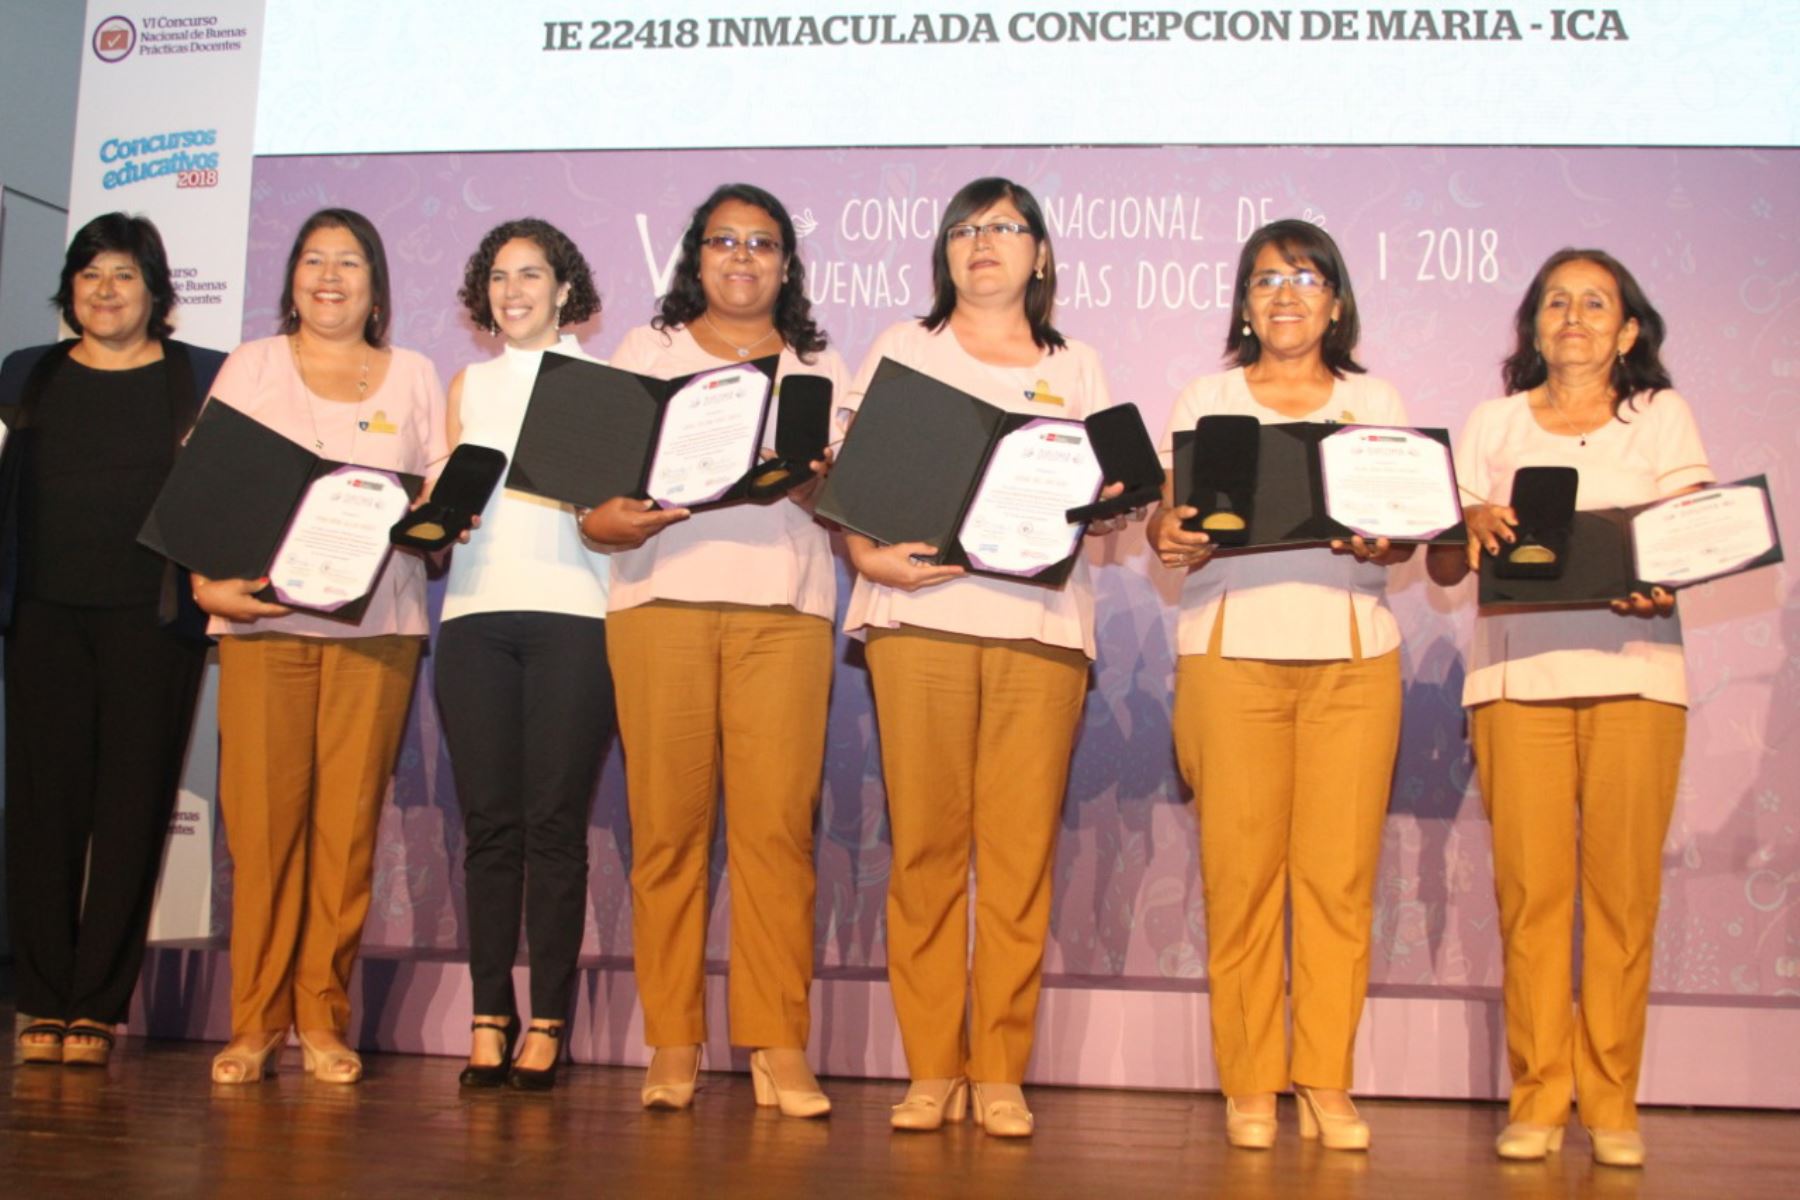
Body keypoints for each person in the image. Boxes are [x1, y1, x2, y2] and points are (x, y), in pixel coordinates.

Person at [842, 177, 1125, 1138]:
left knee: (1016, 859)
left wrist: (1113, 501)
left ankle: (999, 1070)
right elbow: (854, 476)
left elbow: (1107, 495)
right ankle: (932, 1068)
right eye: (965, 228)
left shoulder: (1077, 365)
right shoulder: (904, 346)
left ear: (1040, 253)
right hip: (919, 619)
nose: (983, 242)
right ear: (945, 252)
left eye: (1004, 227)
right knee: (925, 851)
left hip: (1038, 632)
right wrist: (865, 556)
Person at [1426, 249, 1711, 1168]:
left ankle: (1613, 1103)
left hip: (1638, 678)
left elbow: (1692, 537)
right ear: (1534, 327)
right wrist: (1465, 524)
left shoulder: (1660, 416)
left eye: (1595, 303)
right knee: (1532, 899)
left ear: (1627, 331)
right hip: (1518, 684)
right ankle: (1539, 1096)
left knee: (1623, 899)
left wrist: (1667, 574)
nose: (1574, 316)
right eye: (1556, 302)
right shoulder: (1495, 422)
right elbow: (1444, 564)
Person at [579, 183, 845, 1117]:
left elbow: (844, 504)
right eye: (725, 241)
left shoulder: (819, 366)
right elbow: (597, 512)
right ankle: (673, 1040)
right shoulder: (645, 353)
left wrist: (813, 485)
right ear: (695, 257)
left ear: (786, 264)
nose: (742, 257)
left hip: (785, 611)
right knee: (667, 834)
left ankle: (778, 1044)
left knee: (778, 836)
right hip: (662, 606)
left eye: (762, 243)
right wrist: (612, 519)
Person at [1145, 219, 1408, 1151]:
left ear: (1335, 302)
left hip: (1353, 657)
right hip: (1231, 653)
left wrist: (1391, 538)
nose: (1285, 294)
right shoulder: (1207, 397)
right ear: (1244, 305)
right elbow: (1171, 525)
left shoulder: (1375, 400)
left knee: (1338, 883)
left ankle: (1325, 1080)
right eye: (1265, 280)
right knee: (1242, 879)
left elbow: (1403, 531)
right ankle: (1251, 1082)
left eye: (1305, 278)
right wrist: (1168, 534)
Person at [194, 208, 447, 1085]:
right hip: (263, 626)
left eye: (349, 262)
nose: (329, 277)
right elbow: (203, 488)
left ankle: (321, 1020)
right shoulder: (252, 365)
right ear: (292, 278)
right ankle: (254, 1023)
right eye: (313, 260)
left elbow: (438, 501)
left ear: (376, 287)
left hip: (376, 632)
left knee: (345, 834)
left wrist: (438, 519)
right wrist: (206, 584)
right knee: (263, 833)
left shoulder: (414, 374)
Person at [0, 213, 223, 1068]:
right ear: (70, 289)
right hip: (42, 617)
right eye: (90, 273)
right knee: (42, 812)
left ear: (155, 290)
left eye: (124, 274)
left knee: (132, 812)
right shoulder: (28, 371)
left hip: (153, 622)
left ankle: (95, 1006)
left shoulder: (199, 375)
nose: (105, 290)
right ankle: (40, 997)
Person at [436, 219, 613, 1090]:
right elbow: (445, 508)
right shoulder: (466, 383)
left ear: (564, 289)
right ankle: (487, 1014)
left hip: (575, 616)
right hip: (473, 616)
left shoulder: (604, 385)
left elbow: (621, 514)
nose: (513, 291)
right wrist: (433, 514)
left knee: (553, 826)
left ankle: (548, 1017)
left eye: (531, 274)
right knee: (489, 827)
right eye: (499, 276)